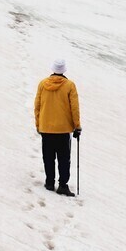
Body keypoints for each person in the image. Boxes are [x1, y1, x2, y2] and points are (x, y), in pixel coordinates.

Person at [34, 58, 81, 196]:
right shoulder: (70, 85)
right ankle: (62, 185)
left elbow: (37, 106)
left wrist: (38, 125)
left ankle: (49, 182)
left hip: (46, 128)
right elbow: (75, 108)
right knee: (63, 158)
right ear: (64, 70)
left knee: (48, 157)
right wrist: (77, 126)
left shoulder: (42, 84)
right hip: (63, 129)